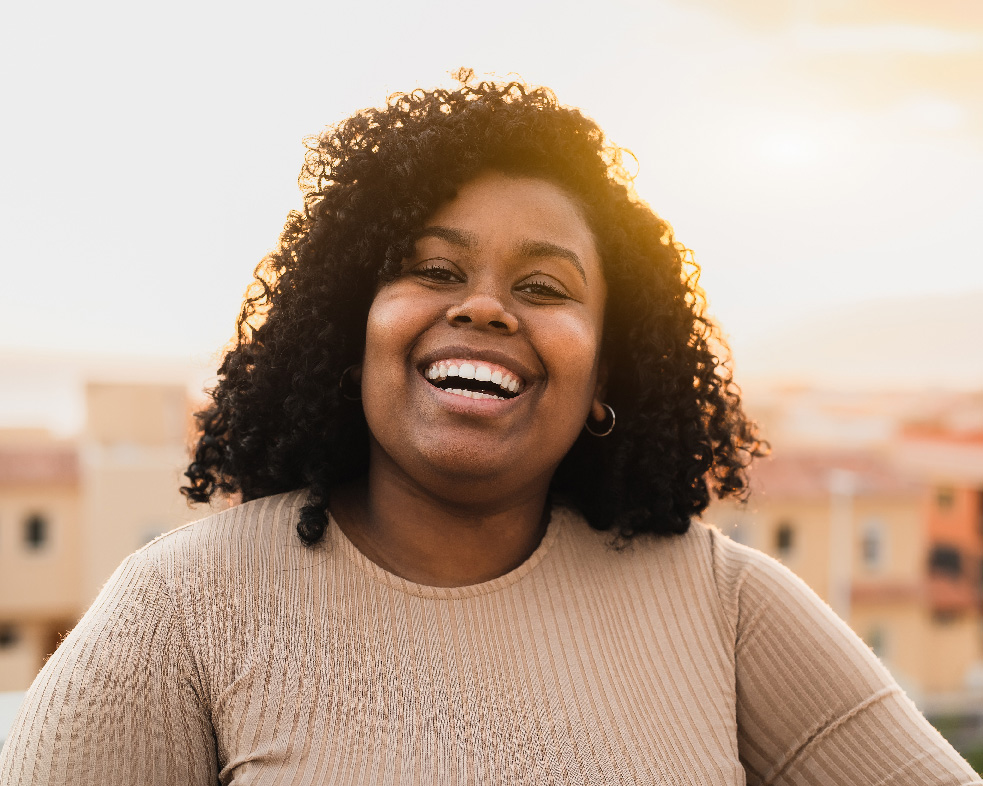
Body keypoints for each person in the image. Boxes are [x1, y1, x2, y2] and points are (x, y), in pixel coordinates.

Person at [1, 71, 978, 785]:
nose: (483, 308)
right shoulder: (180, 610)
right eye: (432, 269)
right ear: (350, 330)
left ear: (608, 371)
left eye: (543, 286)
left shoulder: (722, 604)